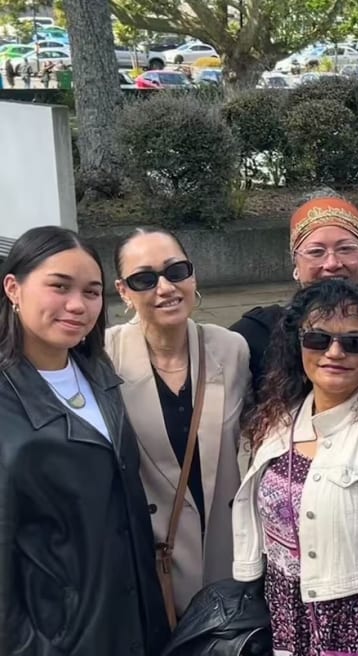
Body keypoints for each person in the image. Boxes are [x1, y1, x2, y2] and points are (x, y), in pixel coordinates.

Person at [232, 279, 358, 655]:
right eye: (318, 339)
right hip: (290, 634)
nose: (335, 352)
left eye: (354, 343)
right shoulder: (278, 421)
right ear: (299, 345)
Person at [0, 226, 169, 654]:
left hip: (135, 626)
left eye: (92, 292)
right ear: (13, 288)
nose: (78, 305)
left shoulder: (99, 374)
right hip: (60, 639)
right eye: (59, 286)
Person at [106, 228, 251, 619]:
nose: (165, 287)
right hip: (150, 565)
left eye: (176, 271)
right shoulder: (104, 356)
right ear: (123, 291)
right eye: (145, 279)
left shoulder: (231, 348)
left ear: (193, 276)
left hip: (225, 558)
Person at [230, 189, 358, 395]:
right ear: (295, 264)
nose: (332, 263)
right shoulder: (256, 335)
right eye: (316, 252)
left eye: (346, 249)